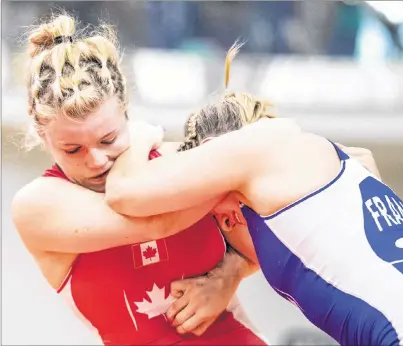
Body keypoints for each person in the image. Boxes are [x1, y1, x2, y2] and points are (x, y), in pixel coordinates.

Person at [105, 42, 403, 345]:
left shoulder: (253, 152)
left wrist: (137, 136)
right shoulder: (335, 166)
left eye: (216, 219)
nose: (222, 220)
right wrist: (228, 274)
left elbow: (124, 192)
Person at [11, 15, 266, 345]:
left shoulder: (175, 161)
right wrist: (141, 141)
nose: (97, 160)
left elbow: (256, 241)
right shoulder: (38, 205)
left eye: (108, 138)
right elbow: (150, 218)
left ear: (125, 109)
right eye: (72, 150)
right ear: (43, 139)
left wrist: (226, 278)